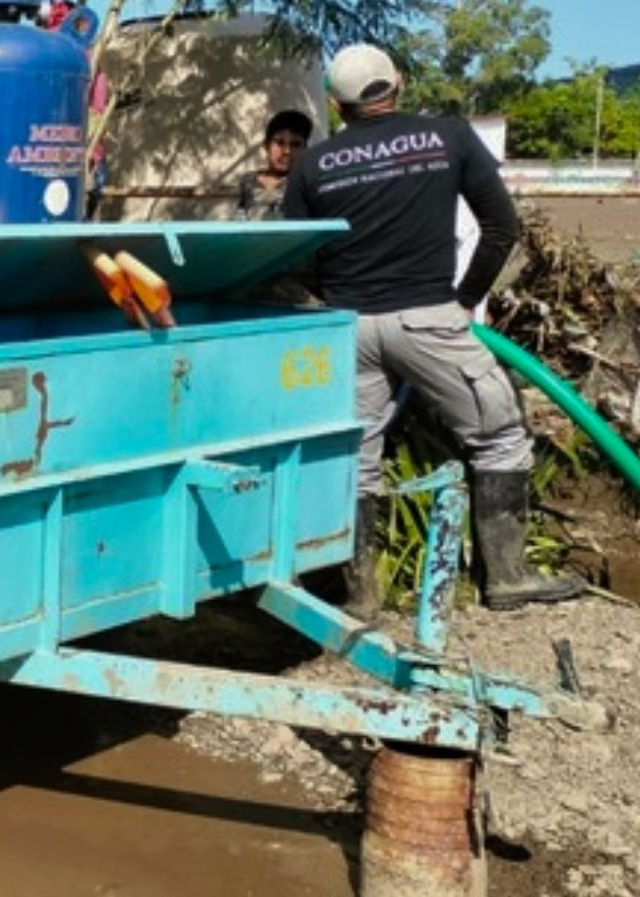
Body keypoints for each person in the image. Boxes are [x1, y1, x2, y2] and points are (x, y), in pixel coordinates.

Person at [282, 43, 582, 614]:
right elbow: (501, 229)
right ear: (397, 83)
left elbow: (295, 254)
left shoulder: (313, 163)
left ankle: (359, 597)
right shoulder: (448, 136)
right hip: (428, 316)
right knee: (498, 435)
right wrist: (464, 301)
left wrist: (340, 294)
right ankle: (507, 577)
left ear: (336, 103)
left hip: (347, 325)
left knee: (356, 457)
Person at [238, 110, 312, 221]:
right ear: (266, 145)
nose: (287, 151)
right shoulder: (248, 181)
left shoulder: (307, 183)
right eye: (279, 143)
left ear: (305, 149)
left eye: (295, 144)